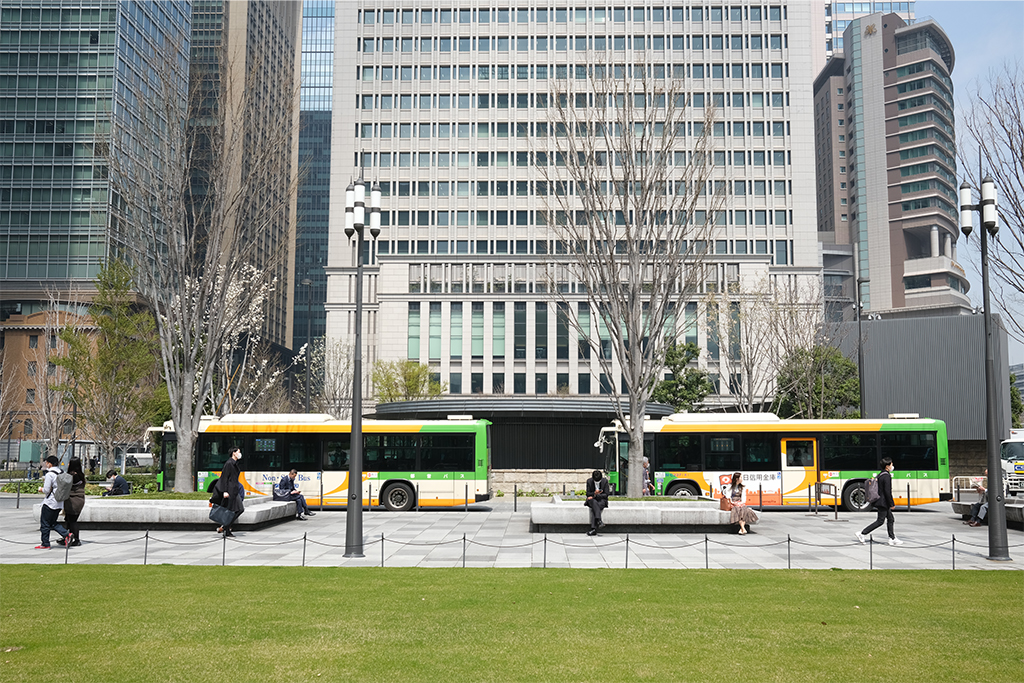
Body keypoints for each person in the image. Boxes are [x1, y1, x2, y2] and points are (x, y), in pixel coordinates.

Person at [857, 457, 903, 546]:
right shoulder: (886, 476)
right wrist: (891, 504)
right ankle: (862, 533)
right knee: (880, 521)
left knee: (890, 519)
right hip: (883, 502)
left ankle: (892, 538)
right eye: (891, 464)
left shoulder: (881, 474)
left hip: (880, 501)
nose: (892, 466)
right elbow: (887, 491)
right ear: (887, 466)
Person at [36, 456, 71, 549]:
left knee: (45, 523)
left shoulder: (50, 474)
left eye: (46, 462)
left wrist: (40, 489)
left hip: (50, 502)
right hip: (59, 502)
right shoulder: (62, 472)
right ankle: (66, 534)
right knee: (52, 522)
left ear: (50, 463)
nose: (46, 464)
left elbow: (47, 490)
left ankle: (45, 543)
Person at [210, 448, 244, 537]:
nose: (240, 454)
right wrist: (224, 491)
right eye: (238, 452)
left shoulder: (235, 464)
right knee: (232, 510)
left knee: (239, 509)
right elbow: (224, 478)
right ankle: (226, 528)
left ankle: (226, 527)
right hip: (229, 491)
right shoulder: (229, 464)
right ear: (234, 453)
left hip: (235, 490)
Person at [63, 457, 86, 547]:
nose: (68, 464)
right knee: (69, 520)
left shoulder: (73, 475)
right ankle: (68, 537)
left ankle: (76, 539)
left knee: (72, 521)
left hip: (73, 500)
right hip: (79, 500)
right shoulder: (81, 474)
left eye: (69, 462)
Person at [584, 470, 610, 536]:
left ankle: (593, 529)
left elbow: (606, 494)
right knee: (594, 503)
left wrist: (597, 495)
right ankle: (599, 521)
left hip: (601, 500)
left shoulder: (605, 481)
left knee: (595, 508)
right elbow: (588, 493)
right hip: (592, 500)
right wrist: (594, 494)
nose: (597, 482)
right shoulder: (589, 481)